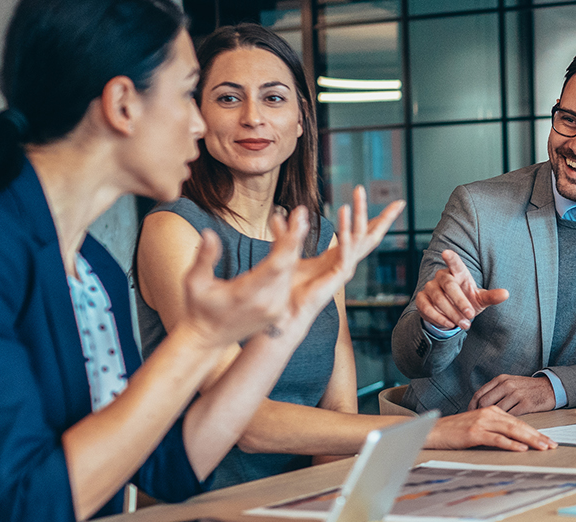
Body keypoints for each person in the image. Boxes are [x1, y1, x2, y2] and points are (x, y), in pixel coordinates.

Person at [0, 0, 399, 520]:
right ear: (122, 105)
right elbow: (26, 503)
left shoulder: (89, 264)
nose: (200, 123)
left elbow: (167, 464)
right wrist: (197, 339)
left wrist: (292, 313)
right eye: (192, 94)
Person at [134, 24, 553, 489]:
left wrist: (331, 502)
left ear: (300, 119)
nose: (252, 117)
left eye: (273, 98)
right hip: (201, 502)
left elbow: (338, 409)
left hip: (303, 499)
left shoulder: (318, 238)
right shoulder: (174, 230)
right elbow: (242, 421)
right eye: (228, 98)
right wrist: (433, 432)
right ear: (198, 116)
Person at [389, 48, 576, 416]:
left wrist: (552, 389)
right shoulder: (477, 207)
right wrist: (437, 326)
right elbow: (411, 360)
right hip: (459, 430)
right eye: (569, 120)